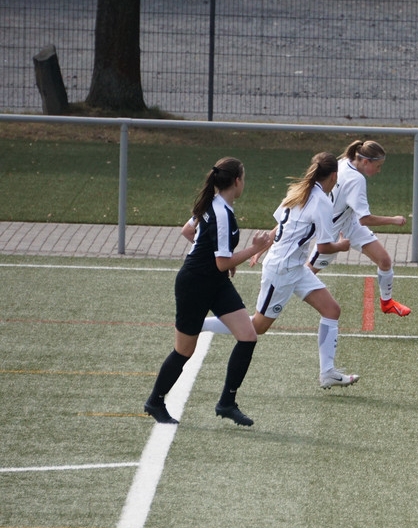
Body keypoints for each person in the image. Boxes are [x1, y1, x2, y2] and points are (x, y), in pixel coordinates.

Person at [201, 152, 359, 388]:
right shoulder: (321, 201)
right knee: (257, 327)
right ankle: (199, 323)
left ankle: (327, 373)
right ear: (334, 175)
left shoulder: (297, 191)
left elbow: (280, 225)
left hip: (294, 268)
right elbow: (325, 246)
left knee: (332, 310)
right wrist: (343, 246)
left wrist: (262, 248)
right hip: (283, 271)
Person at [144, 157, 273, 426]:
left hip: (216, 282)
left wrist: (218, 256)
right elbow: (221, 261)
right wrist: (255, 248)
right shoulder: (221, 212)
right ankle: (155, 401)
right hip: (195, 284)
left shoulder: (214, 204)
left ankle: (227, 402)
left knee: (248, 336)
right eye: (244, 178)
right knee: (184, 351)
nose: (244, 184)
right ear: (237, 181)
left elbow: (189, 231)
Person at [309, 139, 411, 316]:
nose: (379, 171)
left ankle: (387, 303)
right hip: (333, 232)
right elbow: (365, 219)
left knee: (384, 261)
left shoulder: (344, 162)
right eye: (378, 166)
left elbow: (358, 219)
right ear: (365, 161)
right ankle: (271, 302)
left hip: (351, 224)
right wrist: (393, 220)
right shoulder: (356, 180)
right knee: (306, 274)